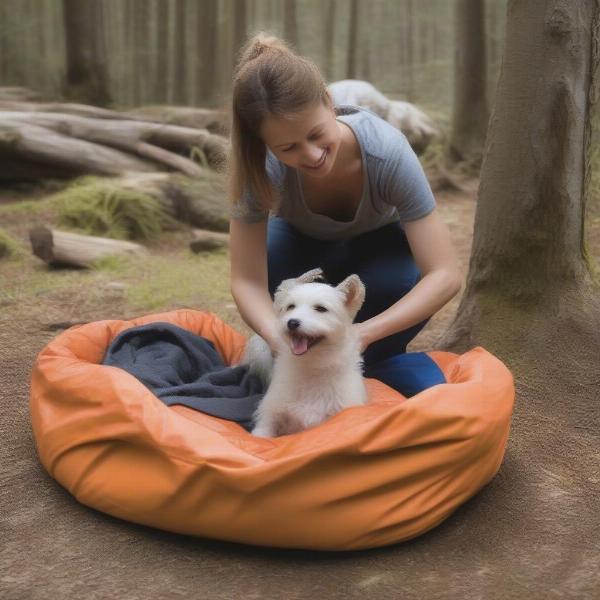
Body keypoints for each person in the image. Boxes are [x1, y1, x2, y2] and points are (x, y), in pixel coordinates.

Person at [227, 33, 462, 397]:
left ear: (329, 100)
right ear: (265, 145)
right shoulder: (259, 166)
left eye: (316, 134)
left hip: (379, 254)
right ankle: (293, 361)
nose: (311, 155)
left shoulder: (386, 151)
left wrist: (364, 333)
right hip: (297, 251)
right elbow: (246, 281)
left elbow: (445, 274)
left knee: (400, 285)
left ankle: (377, 360)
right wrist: (276, 338)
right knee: (271, 261)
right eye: (288, 147)